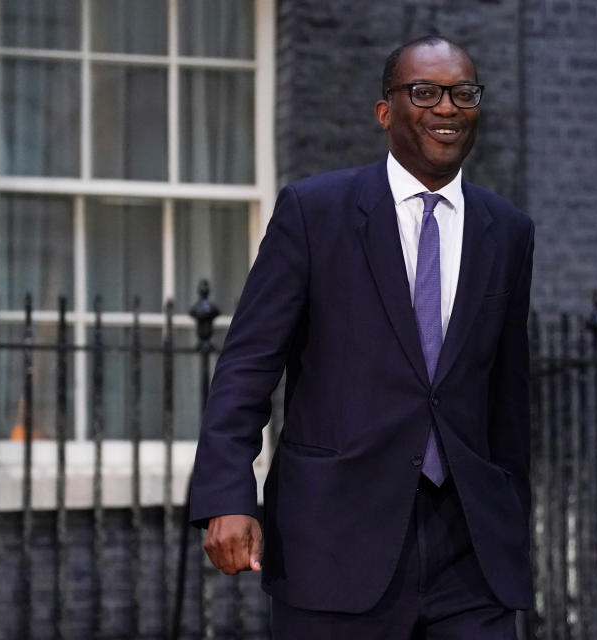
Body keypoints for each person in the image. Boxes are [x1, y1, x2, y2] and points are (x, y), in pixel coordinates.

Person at [188, 35, 535, 638]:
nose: (447, 108)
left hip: (470, 556)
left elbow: (506, 393)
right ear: (385, 112)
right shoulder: (314, 210)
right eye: (424, 92)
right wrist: (227, 494)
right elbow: (248, 363)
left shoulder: (507, 229)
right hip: (335, 545)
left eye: (462, 93)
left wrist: (510, 518)